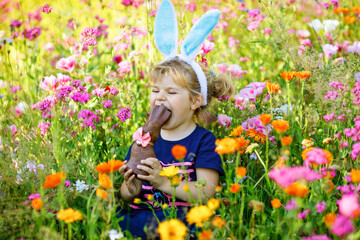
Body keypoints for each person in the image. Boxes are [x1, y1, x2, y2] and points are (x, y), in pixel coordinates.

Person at [117, 57, 234, 239]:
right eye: (155, 90)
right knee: (118, 223)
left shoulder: (204, 140)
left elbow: (206, 193)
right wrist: (131, 187)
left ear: (195, 101)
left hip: (183, 220)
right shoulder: (143, 137)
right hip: (142, 217)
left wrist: (163, 182)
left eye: (171, 92)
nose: (160, 97)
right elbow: (126, 196)